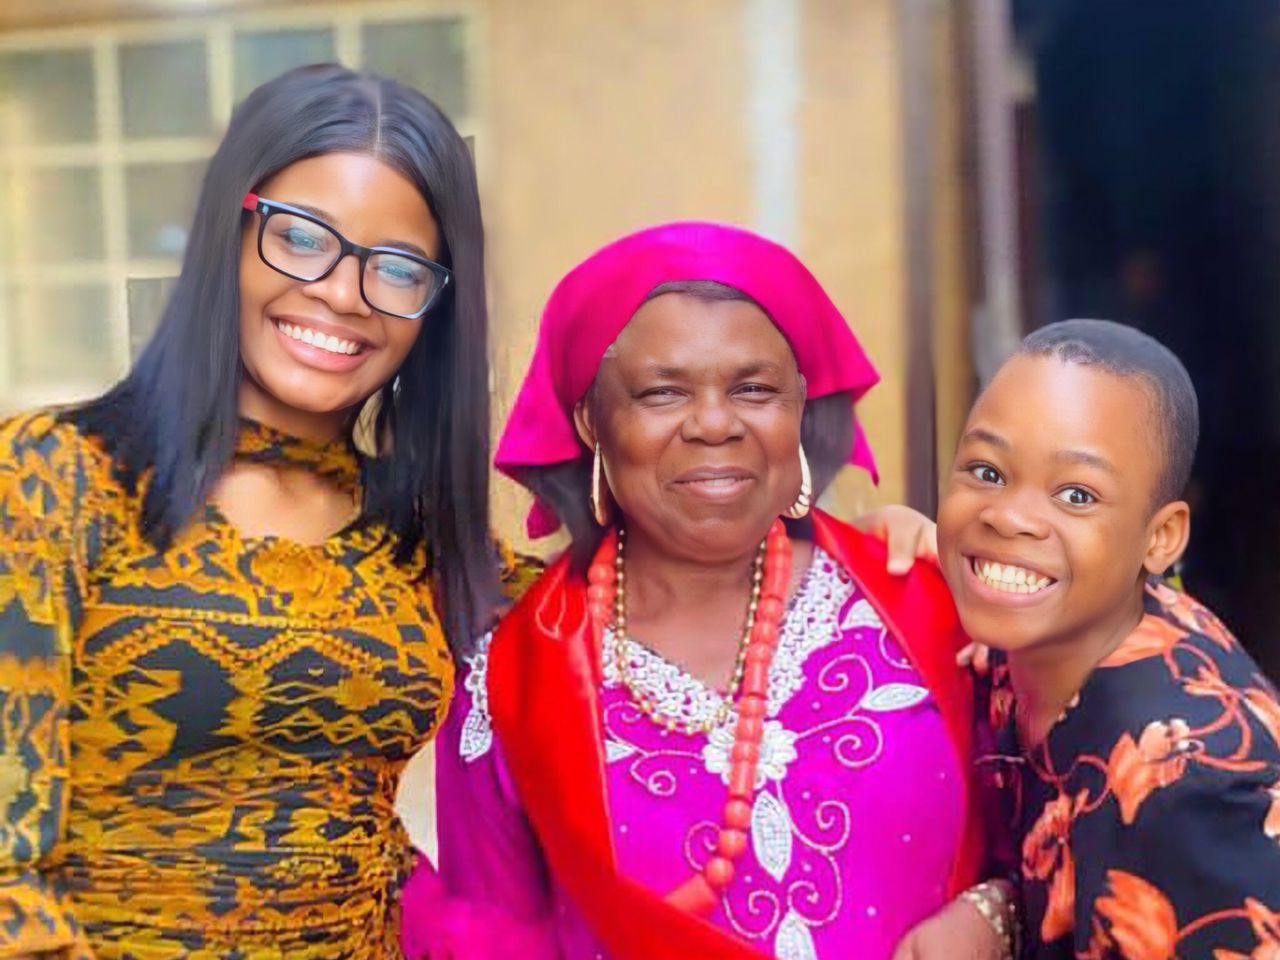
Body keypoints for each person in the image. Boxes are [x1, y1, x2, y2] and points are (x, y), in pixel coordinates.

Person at [401, 222, 1016, 960]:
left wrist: (993, 913)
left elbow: (1067, 828)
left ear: (800, 407)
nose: (716, 423)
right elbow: (492, 938)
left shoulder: (925, 602)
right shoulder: (514, 681)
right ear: (591, 421)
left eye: (754, 389)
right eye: (663, 392)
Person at [0, 65, 503, 959]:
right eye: (304, 239)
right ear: (230, 231)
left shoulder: (418, 531)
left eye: (396, 268)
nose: (343, 296)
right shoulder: (56, 476)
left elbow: (627, 623)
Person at [936, 319, 1280, 958]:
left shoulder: (1183, 788)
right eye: (986, 472)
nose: (1008, 516)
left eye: (1075, 494)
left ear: (1160, 538)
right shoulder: (1046, 631)